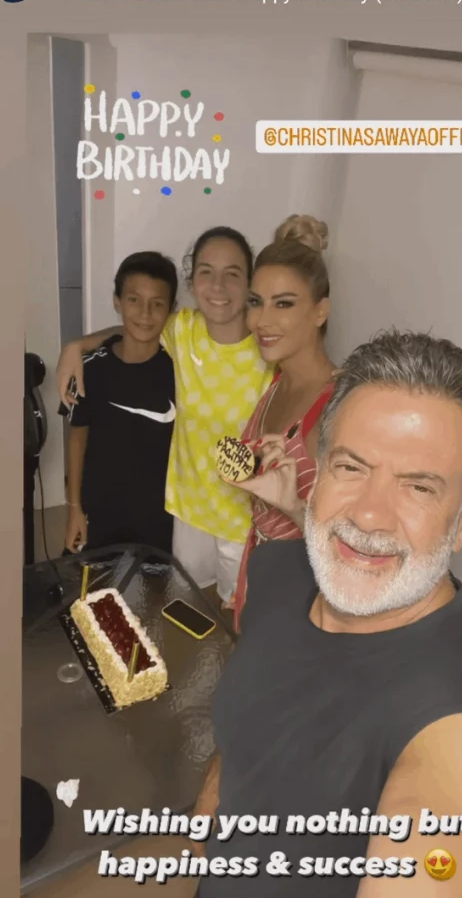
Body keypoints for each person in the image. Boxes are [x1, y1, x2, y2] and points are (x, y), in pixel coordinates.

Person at [188, 329, 462, 898]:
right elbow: (252, 718)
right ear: (319, 472)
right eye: (351, 467)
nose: (369, 514)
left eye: (418, 486)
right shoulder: (283, 570)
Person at [56, 228, 273, 609]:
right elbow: (137, 328)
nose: (218, 286)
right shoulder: (182, 332)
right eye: (206, 272)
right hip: (185, 511)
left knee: (238, 611)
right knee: (177, 601)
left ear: (249, 281)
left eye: (232, 273)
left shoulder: (267, 350)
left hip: (239, 518)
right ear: (192, 281)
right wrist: (77, 345)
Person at [223, 215, 336, 629]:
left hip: (304, 598)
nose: (261, 321)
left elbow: (351, 548)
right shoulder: (277, 381)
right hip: (260, 567)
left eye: (283, 304)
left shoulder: (337, 407)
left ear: (320, 311)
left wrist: (289, 505)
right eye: (256, 302)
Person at [62, 251, 177, 555]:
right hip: (99, 513)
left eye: (157, 304)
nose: (145, 314)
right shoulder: (91, 368)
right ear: (117, 301)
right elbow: (77, 438)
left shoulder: (180, 371)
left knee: (152, 584)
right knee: (92, 584)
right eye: (134, 300)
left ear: (172, 310)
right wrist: (74, 508)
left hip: (160, 518)